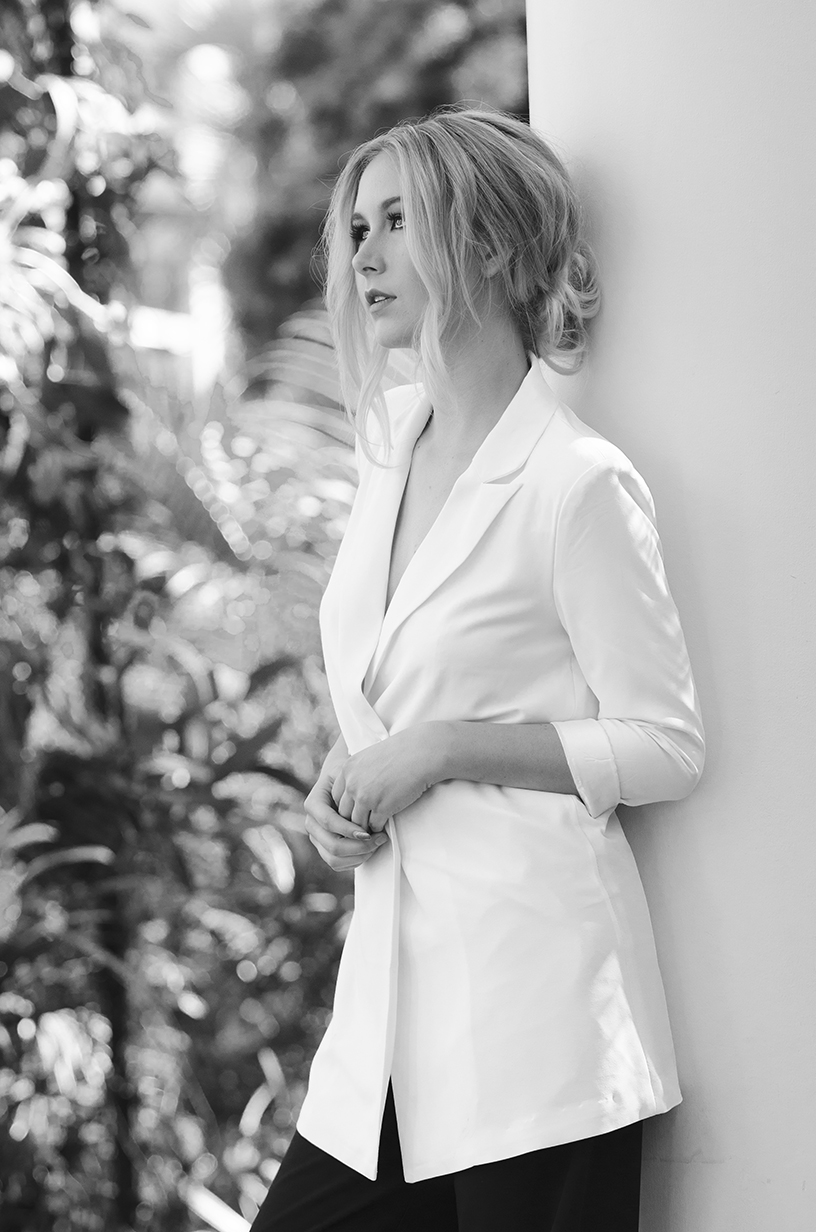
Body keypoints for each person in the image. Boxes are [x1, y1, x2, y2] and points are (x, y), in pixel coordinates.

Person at [250, 105, 704, 1232]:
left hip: (539, 1024)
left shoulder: (576, 482)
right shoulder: (388, 446)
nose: (364, 255)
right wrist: (347, 782)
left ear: (491, 245)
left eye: (400, 222)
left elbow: (666, 744)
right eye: (359, 226)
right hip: (386, 1024)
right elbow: (396, 684)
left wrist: (442, 750)